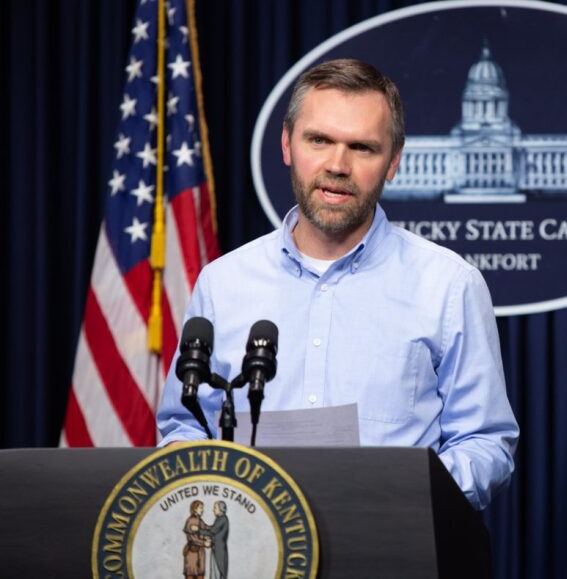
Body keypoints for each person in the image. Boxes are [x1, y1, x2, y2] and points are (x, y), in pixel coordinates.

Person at [157, 58, 519, 509]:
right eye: (320, 140)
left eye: (363, 148)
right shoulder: (222, 282)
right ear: (288, 144)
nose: (337, 164)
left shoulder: (448, 285)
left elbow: (485, 443)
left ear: (393, 161)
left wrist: (402, 495)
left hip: (390, 549)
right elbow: (184, 426)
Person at [183, 500, 211, 579]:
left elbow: (207, 529)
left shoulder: (200, 520)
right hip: (192, 552)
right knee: (191, 574)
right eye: (201, 508)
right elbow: (193, 538)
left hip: (200, 552)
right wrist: (204, 543)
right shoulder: (191, 520)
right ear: (195, 509)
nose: (202, 510)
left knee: (200, 574)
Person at [202, 501, 229, 579]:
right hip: (216, 549)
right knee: (215, 572)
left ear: (220, 509)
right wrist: (205, 527)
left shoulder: (222, 519)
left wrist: (198, 530)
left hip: (219, 550)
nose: (213, 510)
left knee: (217, 572)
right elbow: (213, 530)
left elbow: (212, 531)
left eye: (215, 508)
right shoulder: (220, 519)